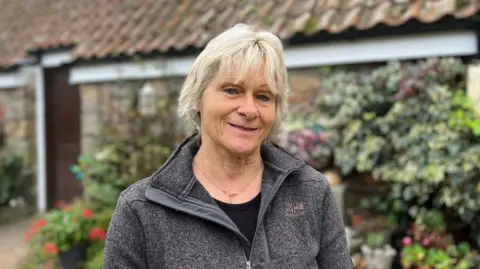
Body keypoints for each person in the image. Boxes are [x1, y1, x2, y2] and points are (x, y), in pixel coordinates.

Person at [103, 23, 352, 269]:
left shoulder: (311, 192)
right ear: (198, 98)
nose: (249, 110)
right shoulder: (142, 209)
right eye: (232, 90)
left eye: (263, 97)